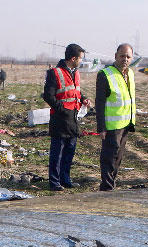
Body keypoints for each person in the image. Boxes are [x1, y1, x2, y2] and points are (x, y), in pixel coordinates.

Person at [42, 43, 89, 191]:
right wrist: (62, 109)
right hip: (60, 119)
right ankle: (54, 182)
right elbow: (48, 96)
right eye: (80, 58)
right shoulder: (54, 73)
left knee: (70, 151)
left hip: (73, 119)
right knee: (58, 153)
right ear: (73, 58)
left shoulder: (75, 73)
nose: (81, 61)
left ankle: (65, 179)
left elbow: (75, 92)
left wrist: (84, 99)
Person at [96, 43, 136, 191]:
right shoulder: (105, 74)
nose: (125, 59)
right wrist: (101, 127)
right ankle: (106, 187)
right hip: (111, 125)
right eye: (122, 56)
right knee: (109, 157)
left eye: (128, 56)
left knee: (118, 158)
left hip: (125, 123)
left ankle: (112, 183)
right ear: (115, 56)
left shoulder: (130, 74)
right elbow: (99, 103)